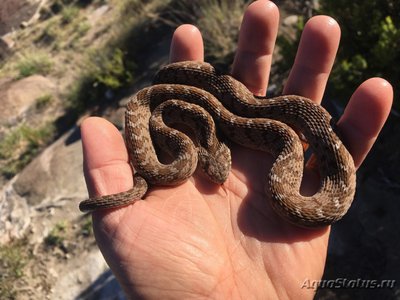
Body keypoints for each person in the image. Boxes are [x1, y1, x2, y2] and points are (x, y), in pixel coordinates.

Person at [81, 0, 393, 298]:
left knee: (284, 133)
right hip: (190, 117)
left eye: (221, 170)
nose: (220, 179)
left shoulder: (268, 136)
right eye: (216, 171)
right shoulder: (167, 117)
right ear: (215, 149)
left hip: (248, 123)